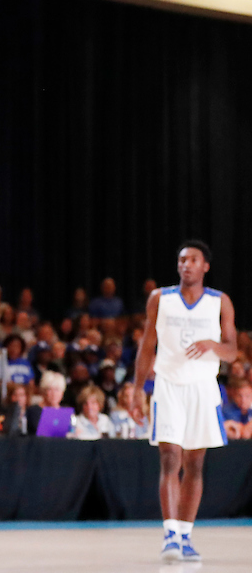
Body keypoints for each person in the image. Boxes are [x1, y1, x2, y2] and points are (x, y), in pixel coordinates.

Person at [134, 240, 237, 563]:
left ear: (205, 265)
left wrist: (213, 345)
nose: (185, 265)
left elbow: (233, 351)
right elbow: (147, 344)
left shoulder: (220, 301)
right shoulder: (159, 299)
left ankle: (186, 534)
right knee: (170, 457)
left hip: (203, 388)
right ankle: (170, 534)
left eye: (192, 259)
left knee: (194, 463)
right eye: (181, 260)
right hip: (168, 385)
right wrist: (137, 387)